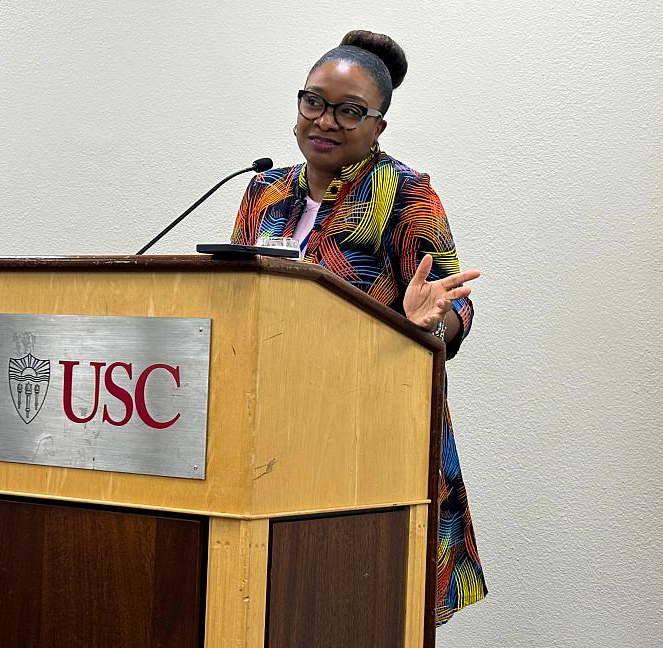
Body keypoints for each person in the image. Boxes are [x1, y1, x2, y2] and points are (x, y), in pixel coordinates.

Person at [231, 30, 486, 625]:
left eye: (350, 111)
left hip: (373, 427)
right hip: (278, 425)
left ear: (377, 127)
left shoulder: (405, 192)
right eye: (313, 101)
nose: (325, 120)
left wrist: (427, 322)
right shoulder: (265, 189)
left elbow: (453, 306)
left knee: (372, 609)